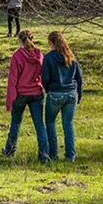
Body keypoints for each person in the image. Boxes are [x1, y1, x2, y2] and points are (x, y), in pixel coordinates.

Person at [3, 30, 48, 161]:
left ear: (19, 40)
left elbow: (13, 80)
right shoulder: (39, 54)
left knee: (15, 123)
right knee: (39, 125)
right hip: (36, 92)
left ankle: (9, 151)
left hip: (21, 94)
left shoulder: (17, 56)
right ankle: (44, 154)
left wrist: (9, 101)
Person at [42, 31, 83, 162]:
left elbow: (45, 78)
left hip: (55, 92)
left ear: (51, 43)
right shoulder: (71, 57)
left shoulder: (48, 58)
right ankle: (70, 155)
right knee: (68, 125)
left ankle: (53, 153)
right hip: (71, 93)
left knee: (50, 122)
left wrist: (48, 90)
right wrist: (79, 95)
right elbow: (79, 78)